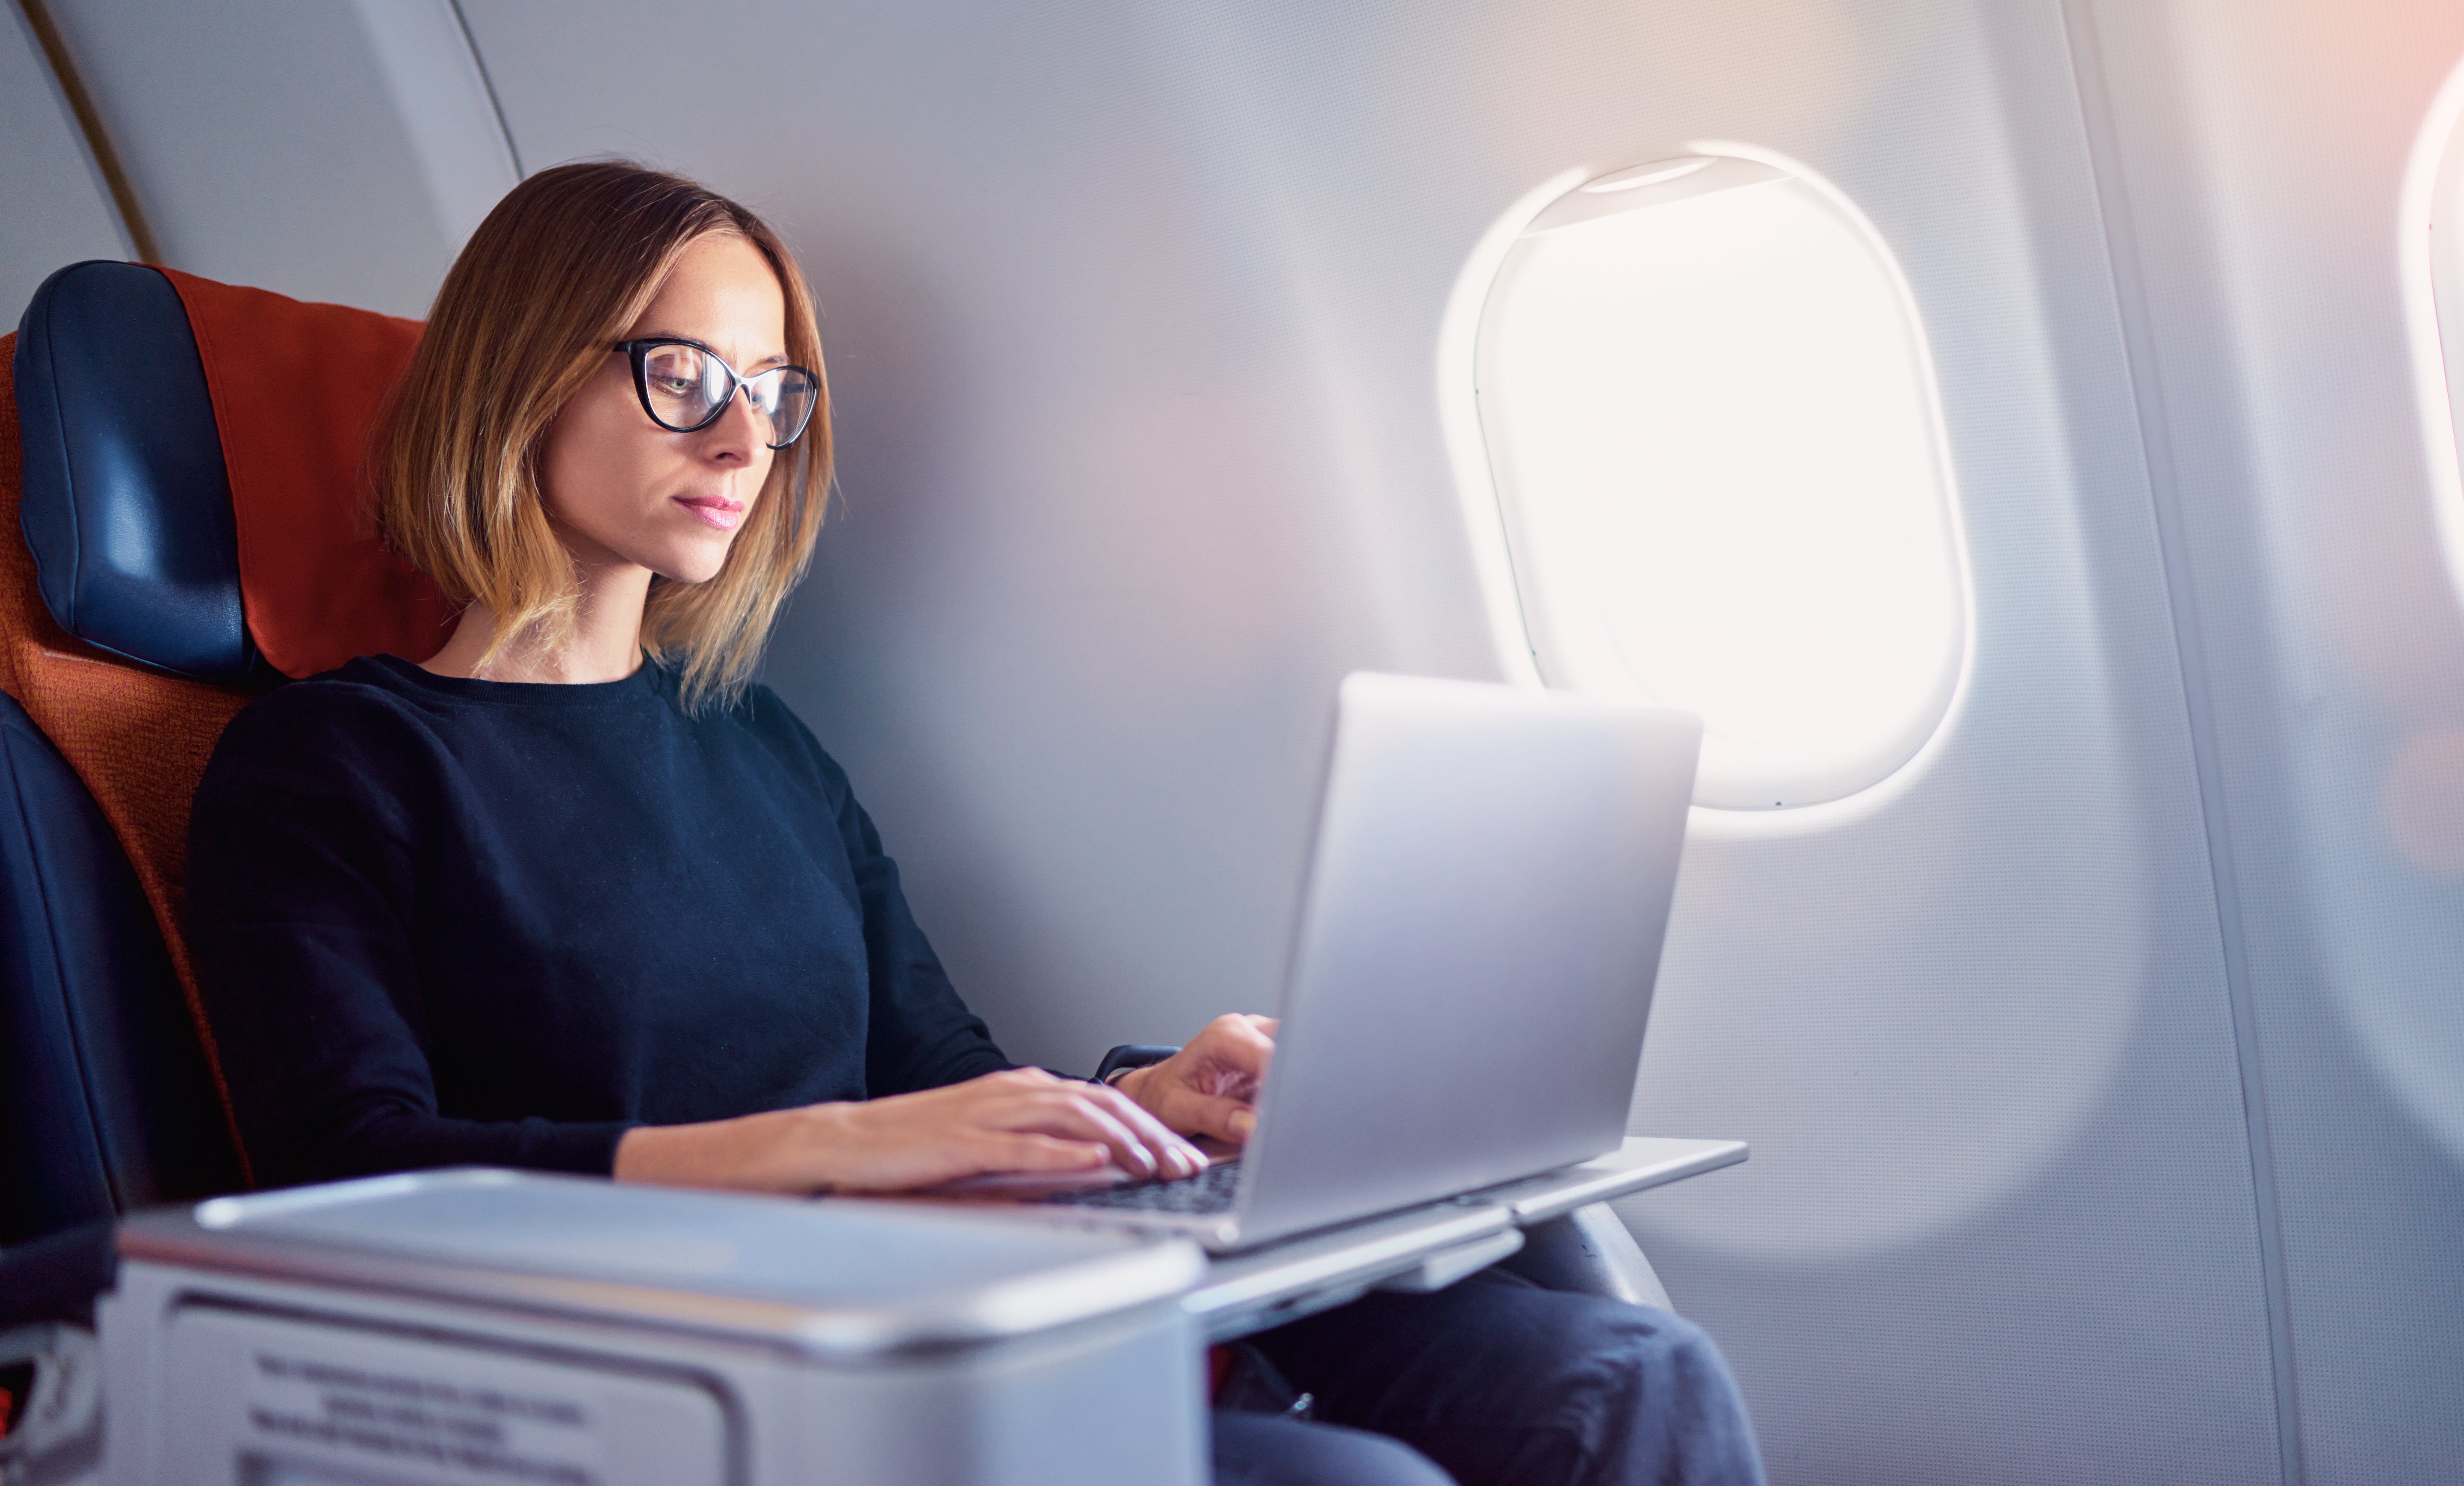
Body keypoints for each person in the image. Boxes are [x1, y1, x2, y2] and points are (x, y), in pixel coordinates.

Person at [185, 160, 1764, 1486]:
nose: (744, 440)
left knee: (1631, 1372)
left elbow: (941, 1078)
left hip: (954, 1280)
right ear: (521, 369)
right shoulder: (331, 768)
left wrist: (1141, 1101)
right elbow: (357, 1178)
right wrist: (843, 1151)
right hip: (704, 1361)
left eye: (773, 393)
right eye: (683, 377)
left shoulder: (756, 745)